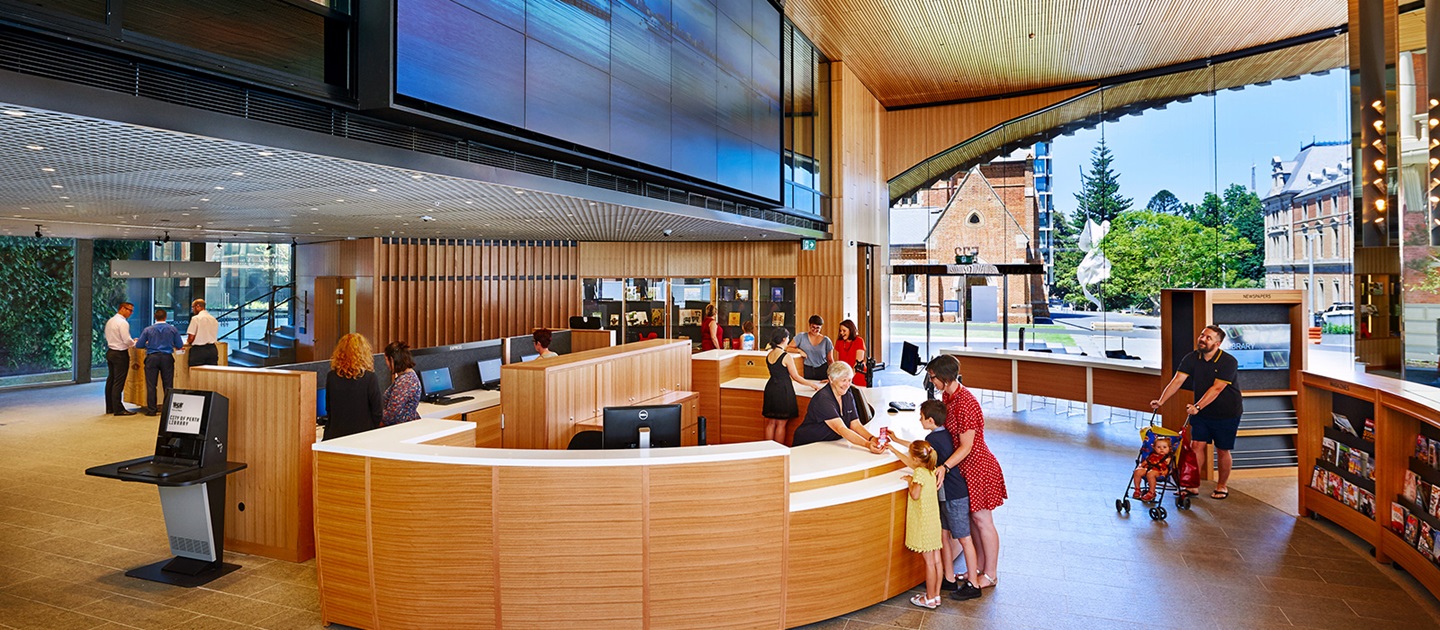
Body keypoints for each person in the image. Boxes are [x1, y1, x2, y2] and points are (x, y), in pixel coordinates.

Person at [927, 354, 1006, 590]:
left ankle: (990, 574)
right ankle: (978, 569)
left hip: (978, 466)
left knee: (983, 520)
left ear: (945, 377)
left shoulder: (966, 403)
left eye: (933, 378)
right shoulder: (948, 396)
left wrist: (945, 466)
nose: (931, 382)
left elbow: (967, 446)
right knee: (972, 520)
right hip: (963, 468)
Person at [894, 399, 982, 601]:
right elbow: (919, 450)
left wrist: (897, 446)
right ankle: (948, 579)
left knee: (963, 537)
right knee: (943, 536)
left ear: (930, 420)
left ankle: (973, 584)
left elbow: (918, 453)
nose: (919, 419)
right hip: (944, 495)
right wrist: (897, 441)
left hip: (953, 494)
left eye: (921, 417)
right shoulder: (940, 436)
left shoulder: (932, 442)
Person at [1150, 324, 1244, 500]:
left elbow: (1216, 389)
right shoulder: (1192, 358)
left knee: (1223, 450)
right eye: (1202, 335)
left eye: (1208, 338)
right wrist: (1161, 401)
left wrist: (1197, 407)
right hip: (1201, 412)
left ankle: (1222, 486)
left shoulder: (1228, 361)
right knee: (1196, 446)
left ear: (1217, 344)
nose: (1202, 339)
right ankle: (1192, 485)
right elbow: (1177, 380)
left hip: (1227, 412)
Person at [887, 438, 943, 609]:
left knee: (929, 563)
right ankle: (936, 596)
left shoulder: (918, 473)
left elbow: (915, 494)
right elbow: (911, 464)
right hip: (934, 523)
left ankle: (929, 598)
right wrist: (893, 448)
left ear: (917, 460)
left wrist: (910, 481)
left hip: (924, 524)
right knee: (937, 560)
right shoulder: (930, 470)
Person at [791, 362, 884, 451]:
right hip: (808, 445)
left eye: (850, 380)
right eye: (843, 380)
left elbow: (855, 424)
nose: (847, 385)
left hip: (828, 444)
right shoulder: (822, 399)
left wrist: (871, 438)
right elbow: (841, 429)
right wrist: (867, 445)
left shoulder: (847, 395)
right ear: (831, 379)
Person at [762, 328, 823, 444]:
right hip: (782, 389)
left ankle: (768, 450)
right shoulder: (786, 356)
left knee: (770, 423)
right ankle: (779, 451)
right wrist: (813, 385)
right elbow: (795, 376)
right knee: (781, 424)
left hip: (770, 388)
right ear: (784, 339)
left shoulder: (769, 354)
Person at [324, 333, 383, 440]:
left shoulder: (331, 377)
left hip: (336, 436)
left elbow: (329, 409)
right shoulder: (370, 378)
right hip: (362, 437)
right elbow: (377, 412)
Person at [134, 308, 185, 416]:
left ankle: (152, 410)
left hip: (152, 358)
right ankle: (167, 411)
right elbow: (180, 345)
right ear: (165, 317)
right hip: (167, 357)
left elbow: (139, 345)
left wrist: (148, 345)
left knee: (151, 385)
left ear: (155, 317)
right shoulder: (173, 329)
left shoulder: (148, 329)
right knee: (168, 385)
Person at [103, 301, 136, 416]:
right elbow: (126, 339)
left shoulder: (110, 321)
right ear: (122, 309)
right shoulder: (123, 323)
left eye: (132, 311)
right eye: (129, 310)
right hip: (120, 354)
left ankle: (110, 407)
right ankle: (118, 409)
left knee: (111, 380)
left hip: (111, 352)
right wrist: (134, 343)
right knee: (118, 382)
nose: (131, 313)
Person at [381, 341, 421, 427]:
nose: (386, 364)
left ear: (392, 359)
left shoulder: (405, 381)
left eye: (386, 360)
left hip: (402, 428)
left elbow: (392, 414)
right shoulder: (409, 376)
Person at [788, 314, 835, 380]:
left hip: (822, 369)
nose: (815, 330)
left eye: (817, 328)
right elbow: (788, 348)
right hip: (807, 369)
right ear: (809, 325)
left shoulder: (826, 340)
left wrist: (833, 376)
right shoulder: (801, 336)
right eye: (813, 327)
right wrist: (799, 351)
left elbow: (830, 360)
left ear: (821, 327)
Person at [1131, 436, 1173, 502]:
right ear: (1154, 448)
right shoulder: (1152, 454)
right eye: (1158, 447)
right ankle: (1137, 490)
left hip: (1159, 471)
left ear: (1169, 449)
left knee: (1150, 474)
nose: (1161, 449)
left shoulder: (1168, 458)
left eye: (1164, 447)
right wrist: (1140, 466)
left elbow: (1169, 467)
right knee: (1137, 471)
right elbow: (1146, 461)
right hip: (1148, 468)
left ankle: (1152, 492)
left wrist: (1166, 472)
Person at [185, 298, 220, 367]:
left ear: (198, 306)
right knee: (211, 374)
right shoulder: (213, 319)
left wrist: (188, 342)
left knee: (196, 374)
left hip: (199, 351)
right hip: (212, 349)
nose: (193, 309)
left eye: (193, 307)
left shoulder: (196, 319)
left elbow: (191, 337)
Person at [835, 319, 868, 387]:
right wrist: (835, 378)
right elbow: (837, 363)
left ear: (851, 330)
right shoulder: (839, 342)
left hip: (857, 374)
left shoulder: (859, 341)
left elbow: (858, 363)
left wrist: (848, 378)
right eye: (840, 331)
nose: (841, 333)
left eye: (844, 331)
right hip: (844, 375)